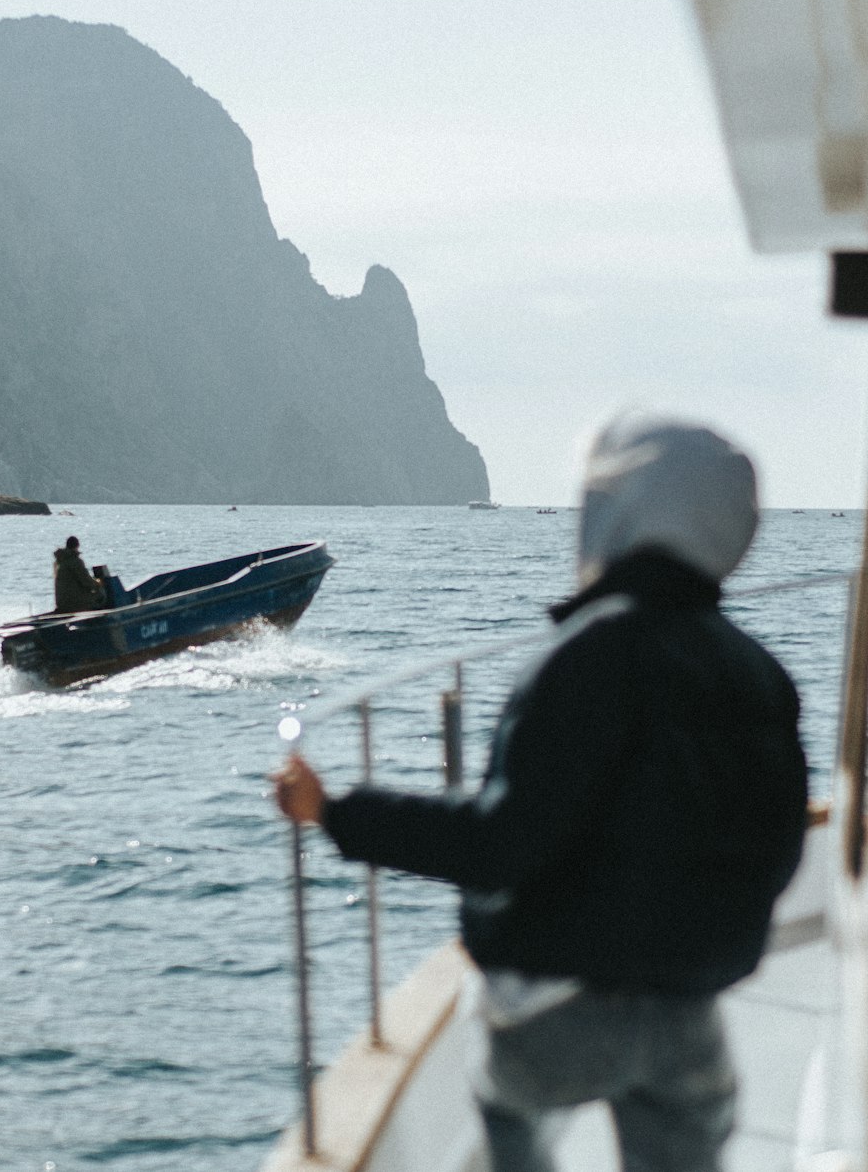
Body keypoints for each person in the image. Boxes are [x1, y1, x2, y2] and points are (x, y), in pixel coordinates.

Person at [273, 417, 808, 1172]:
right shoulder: (761, 675)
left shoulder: (584, 657)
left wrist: (334, 810)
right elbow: (779, 856)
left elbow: (499, 846)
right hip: (689, 1007)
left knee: (506, 1110)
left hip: (554, 1014)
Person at [53, 535, 106, 613]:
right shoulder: (75, 561)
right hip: (74, 603)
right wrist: (98, 584)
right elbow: (87, 581)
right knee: (101, 593)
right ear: (77, 546)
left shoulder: (59, 562)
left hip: (61, 603)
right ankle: (99, 617)